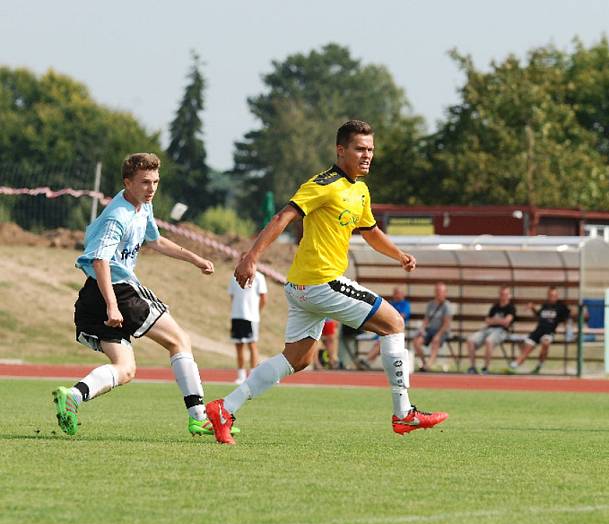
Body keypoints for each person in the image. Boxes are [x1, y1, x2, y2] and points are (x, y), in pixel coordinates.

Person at [204, 120, 448, 444]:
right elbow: (283, 217)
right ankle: (403, 413)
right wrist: (251, 257)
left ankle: (225, 408)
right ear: (340, 150)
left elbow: (371, 232)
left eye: (371, 149)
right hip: (322, 283)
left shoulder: (359, 190)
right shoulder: (324, 183)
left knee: (299, 359)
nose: (367, 156)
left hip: (303, 288)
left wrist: (399, 254)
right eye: (360, 149)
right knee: (394, 323)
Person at [52, 153, 233, 438]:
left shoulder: (142, 206)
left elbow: (156, 240)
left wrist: (194, 258)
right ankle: (198, 416)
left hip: (97, 295)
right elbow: (100, 260)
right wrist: (113, 306)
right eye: (145, 182)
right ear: (128, 183)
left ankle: (73, 396)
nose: (151, 189)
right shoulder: (118, 215)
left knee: (125, 369)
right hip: (115, 291)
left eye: (156, 182)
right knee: (179, 340)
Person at [508, 286, 569, 374]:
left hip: (549, 331)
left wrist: (568, 331)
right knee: (527, 347)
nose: (552, 297)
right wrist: (532, 308)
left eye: (554, 295)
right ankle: (515, 365)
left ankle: (539, 365)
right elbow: (539, 314)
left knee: (545, 342)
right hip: (538, 330)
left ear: (557, 296)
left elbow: (567, 318)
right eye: (550, 295)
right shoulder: (545, 305)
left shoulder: (561, 307)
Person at [228, 264, 268, 384]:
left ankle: (253, 376)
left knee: (252, 345)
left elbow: (264, 298)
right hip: (237, 316)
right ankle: (241, 375)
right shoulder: (234, 277)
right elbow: (232, 296)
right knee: (238, 345)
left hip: (251, 317)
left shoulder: (259, 277)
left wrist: (256, 312)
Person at [466, 286, 516, 374]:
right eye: (502, 294)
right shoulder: (495, 307)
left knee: (489, 341)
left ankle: (485, 368)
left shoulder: (511, 308)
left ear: (509, 296)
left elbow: (506, 322)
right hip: (488, 329)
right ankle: (472, 367)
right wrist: (498, 321)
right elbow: (487, 321)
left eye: (505, 294)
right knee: (470, 340)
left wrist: (495, 321)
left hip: (501, 331)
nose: (503, 296)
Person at [358, 287, 411, 369]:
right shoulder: (390, 303)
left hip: (396, 331)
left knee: (380, 343)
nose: (396, 295)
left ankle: (367, 361)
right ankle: (368, 362)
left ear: (403, 294)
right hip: (384, 328)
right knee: (379, 342)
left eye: (398, 293)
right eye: (395, 293)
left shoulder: (405, 304)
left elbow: (402, 317)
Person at [412, 282, 454, 372]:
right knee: (417, 341)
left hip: (442, 331)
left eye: (441, 291)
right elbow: (426, 319)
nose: (439, 293)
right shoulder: (431, 304)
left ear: (445, 293)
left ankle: (429, 365)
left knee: (436, 341)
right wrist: (422, 329)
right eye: (437, 291)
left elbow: (446, 324)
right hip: (430, 330)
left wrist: (438, 335)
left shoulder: (447, 305)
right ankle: (424, 363)